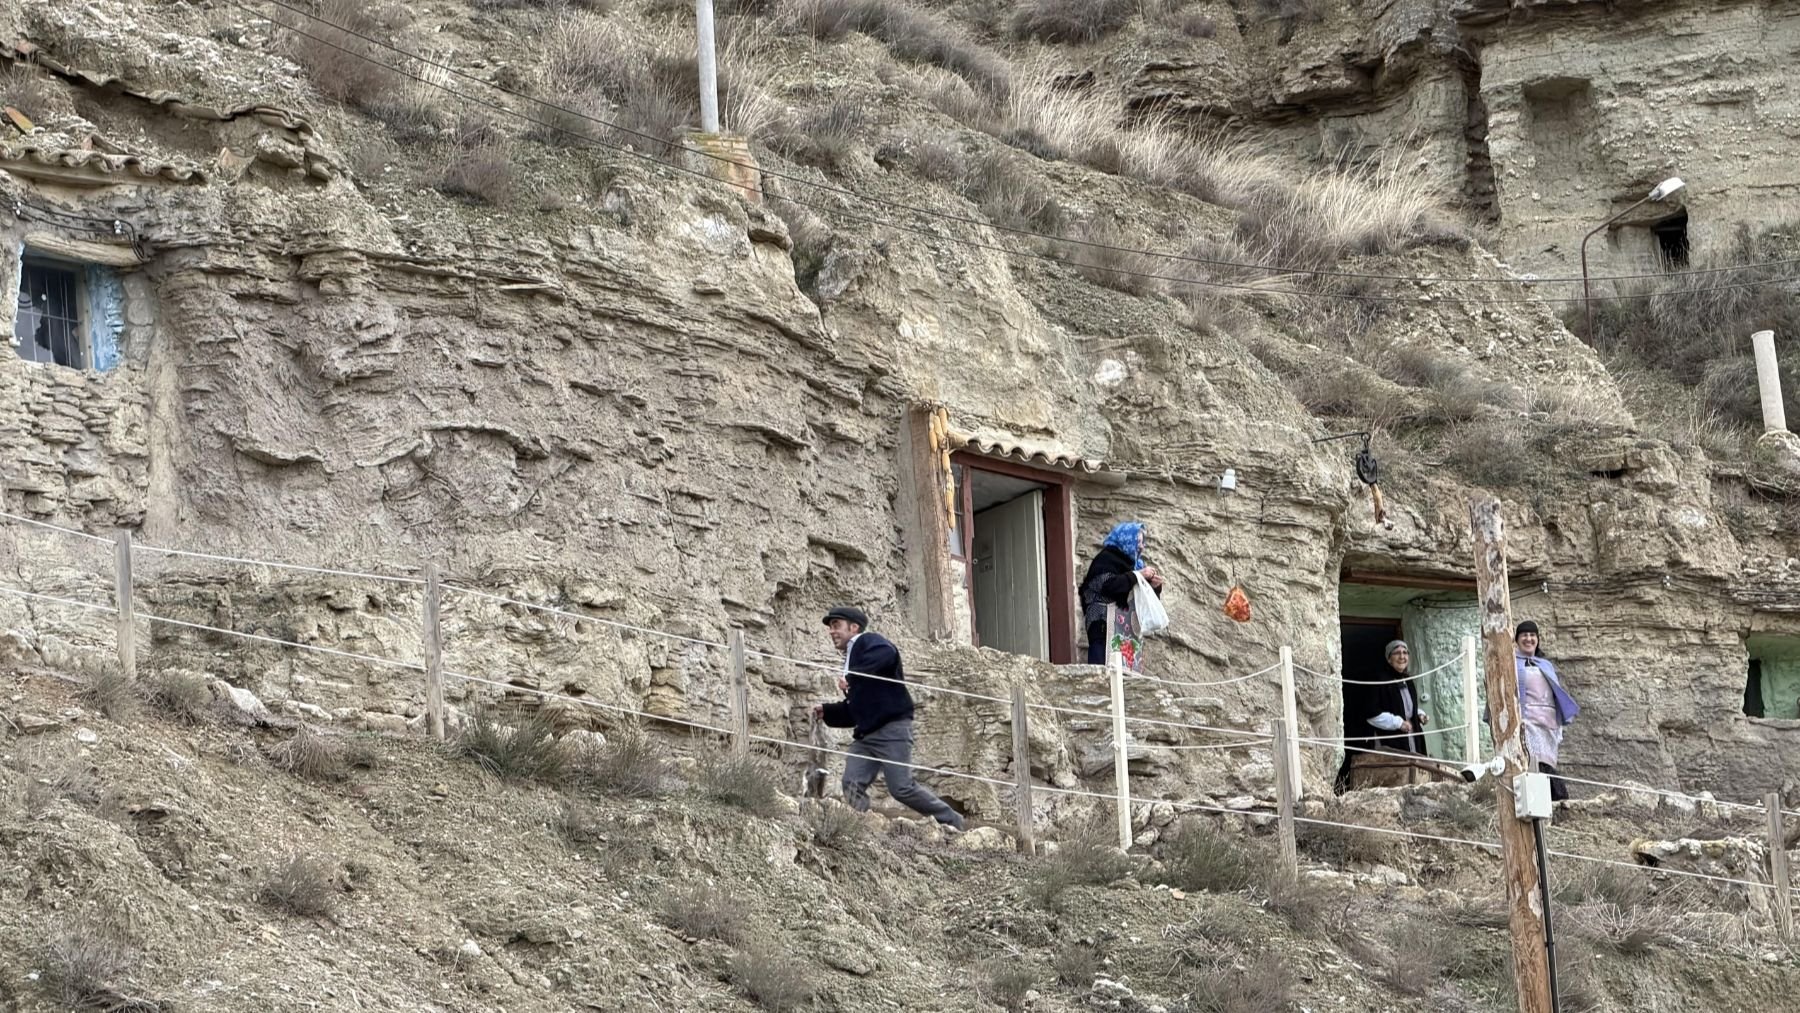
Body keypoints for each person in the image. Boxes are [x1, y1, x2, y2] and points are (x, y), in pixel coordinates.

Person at [811, 606, 966, 830]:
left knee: (901, 788)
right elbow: (856, 709)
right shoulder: (852, 657)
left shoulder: (866, 641)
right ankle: (861, 828)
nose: (831, 631)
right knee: (851, 783)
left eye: (836, 626)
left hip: (891, 730)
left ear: (854, 627)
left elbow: (888, 653)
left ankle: (953, 821)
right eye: (830, 627)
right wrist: (827, 711)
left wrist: (853, 676)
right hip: (866, 736)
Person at [1333, 639, 1429, 793]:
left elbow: (1406, 706)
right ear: (1389, 658)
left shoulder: (1408, 680)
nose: (1402, 656)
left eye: (1405, 653)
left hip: (1411, 739)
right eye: (1397, 653)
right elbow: (1371, 713)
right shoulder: (1380, 679)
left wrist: (1419, 714)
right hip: (1390, 741)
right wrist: (1398, 723)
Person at [1078, 522, 1165, 669]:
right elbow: (1109, 586)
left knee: (1125, 678)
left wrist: (1154, 588)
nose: (1142, 546)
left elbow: (1140, 600)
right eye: (1138, 541)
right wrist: (1136, 575)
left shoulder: (1135, 565)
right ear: (1126, 540)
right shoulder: (1105, 559)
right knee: (1104, 673)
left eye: (1143, 542)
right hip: (1102, 628)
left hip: (1126, 633)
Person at [1514, 620, 1580, 802]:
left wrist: (1559, 723)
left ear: (1537, 639)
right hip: (1527, 722)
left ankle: (1551, 802)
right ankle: (1542, 800)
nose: (1529, 639)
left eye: (1532, 635)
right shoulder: (1511, 663)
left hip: (1548, 723)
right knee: (1532, 762)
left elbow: (1556, 694)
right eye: (1524, 635)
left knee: (1547, 762)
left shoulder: (1545, 665)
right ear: (1517, 640)